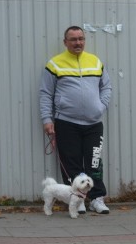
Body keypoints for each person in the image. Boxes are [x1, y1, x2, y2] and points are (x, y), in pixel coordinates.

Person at [39, 26, 112, 215]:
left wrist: (99, 106)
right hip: (66, 123)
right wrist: (47, 120)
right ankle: (77, 202)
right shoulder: (55, 64)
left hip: (93, 123)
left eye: (81, 38)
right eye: (73, 39)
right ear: (65, 42)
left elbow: (107, 87)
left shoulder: (95, 62)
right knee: (72, 164)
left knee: (94, 164)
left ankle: (96, 199)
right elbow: (46, 94)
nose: (78, 42)